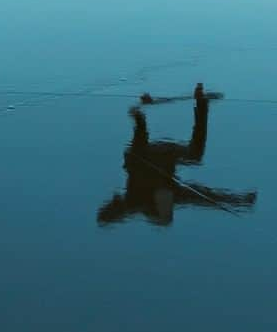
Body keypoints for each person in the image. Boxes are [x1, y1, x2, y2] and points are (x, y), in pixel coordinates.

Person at [97, 84, 258, 227]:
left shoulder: (137, 199)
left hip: (155, 156)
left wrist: (138, 114)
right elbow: (207, 198)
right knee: (194, 160)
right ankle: (201, 104)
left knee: (192, 161)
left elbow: (140, 137)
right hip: (163, 155)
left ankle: (202, 105)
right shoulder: (154, 196)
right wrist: (238, 201)